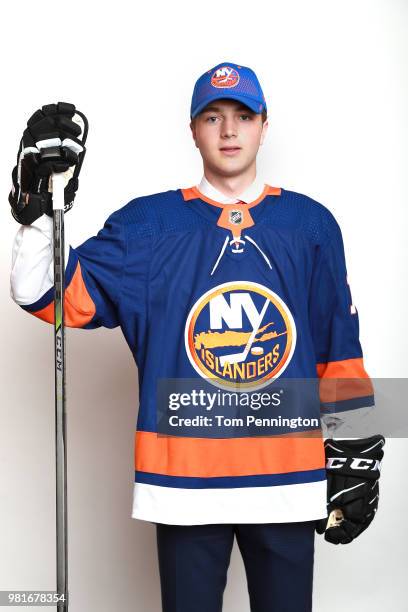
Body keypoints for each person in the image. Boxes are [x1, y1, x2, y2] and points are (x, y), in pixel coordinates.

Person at [9, 62, 383, 612]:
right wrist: (40, 206)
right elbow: (46, 295)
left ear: (263, 125)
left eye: (242, 116)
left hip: (288, 481)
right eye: (213, 116)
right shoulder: (147, 227)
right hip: (185, 484)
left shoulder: (311, 225)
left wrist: (358, 456)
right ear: (193, 128)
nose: (229, 130)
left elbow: (338, 353)